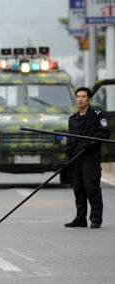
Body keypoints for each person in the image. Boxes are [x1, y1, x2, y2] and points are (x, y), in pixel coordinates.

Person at [64, 87, 110, 229]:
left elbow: (104, 133)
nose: (80, 99)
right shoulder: (73, 119)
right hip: (76, 159)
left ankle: (96, 219)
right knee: (78, 188)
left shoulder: (97, 115)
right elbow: (70, 140)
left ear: (89, 100)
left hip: (90, 158)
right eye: (78, 96)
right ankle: (80, 218)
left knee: (92, 188)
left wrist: (92, 142)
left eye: (83, 97)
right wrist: (67, 156)